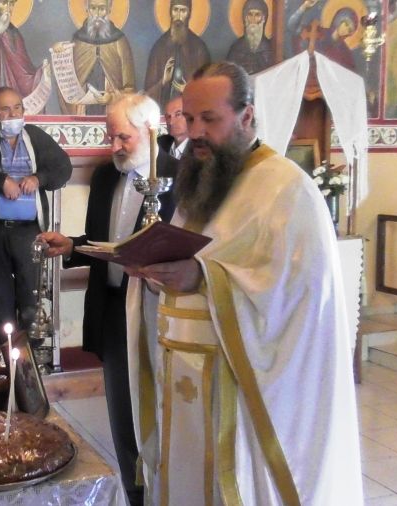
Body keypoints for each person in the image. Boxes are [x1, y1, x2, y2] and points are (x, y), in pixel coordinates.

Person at [123, 62, 362, 505]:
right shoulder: (201, 181)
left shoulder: (287, 189)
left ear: (246, 116)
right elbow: (187, 258)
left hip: (239, 387)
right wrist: (154, 277)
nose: (195, 132)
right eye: (189, 118)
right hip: (183, 372)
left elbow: (300, 298)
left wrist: (204, 276)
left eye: (209, 119)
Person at [38, 93, 177, 506]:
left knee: (163, 413)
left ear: (150, 132)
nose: (113, 146)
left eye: (123, 137)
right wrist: (73, 246)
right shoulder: (105, 177)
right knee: (123, 416)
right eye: (109, 136)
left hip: (161, 313)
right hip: (114, 310)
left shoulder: (181, 178)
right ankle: (135, 497)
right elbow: (108, 244)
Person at [0, 87, 72, 342]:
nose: (13, 114)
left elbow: (63, 167)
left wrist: (38, 178)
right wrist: (1, 181)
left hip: (29, 232)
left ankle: (31, 352)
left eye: (17, 108)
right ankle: (6, 352)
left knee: (31, 296)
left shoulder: (36, 136)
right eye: (5, 109)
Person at [56, 0, 136, 115]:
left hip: (112, 113)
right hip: (83, 113)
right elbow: (66, 84)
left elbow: (130, 89)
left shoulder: (119, 41)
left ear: (109, 9)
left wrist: (112, 98)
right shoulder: (78, 41)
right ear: (87, 8)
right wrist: (59, 54)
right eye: (93, 8)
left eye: (102, 9)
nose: (97, 15)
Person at [143, 0, 211, 106]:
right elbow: (147, 93)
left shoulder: (199, 48)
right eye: (175, 10)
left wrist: (190, 90)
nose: (178, 16)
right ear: (170, 12)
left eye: (183, 11)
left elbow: (208, 88)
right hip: (164, 110)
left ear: (189, 14)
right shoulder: (159, 48)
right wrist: (163, 81)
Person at [225, 0, 275, 74]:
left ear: (264, 19)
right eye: (250, 14)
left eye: (257, 15)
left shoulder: (271, 48)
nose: (253, 19)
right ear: (245, 18)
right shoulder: (236, 48)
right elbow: (229, 74)